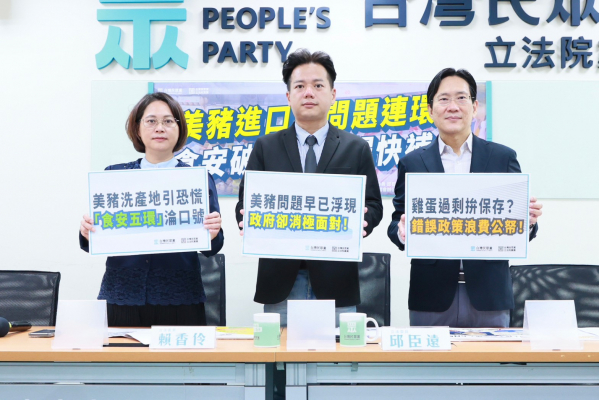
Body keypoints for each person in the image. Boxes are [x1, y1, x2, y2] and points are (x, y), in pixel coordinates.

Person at [235, 49, 384, 327]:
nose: (308, 93)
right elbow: (245, 203)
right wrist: (247, 218)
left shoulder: (356, 148)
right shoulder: (266, 147)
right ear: (288, 96)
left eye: (318, 85)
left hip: (337, 280)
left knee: (338, 353)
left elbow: (374, 205)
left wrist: (363, 220)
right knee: (280, 351)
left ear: (333, 94)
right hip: (280, 282)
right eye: (300, 86)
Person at [387, 68, 543, 328]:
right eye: (444, 99)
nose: (453, 106)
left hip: (489, 294)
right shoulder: (412, 163)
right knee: (428, 357)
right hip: (431, 295)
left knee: (493, 357)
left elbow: (519, 226)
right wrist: (403, 232)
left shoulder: (503, 158)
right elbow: (395, 225)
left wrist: (528, 222)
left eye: (461, 98)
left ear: (474, 106)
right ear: (430, 109)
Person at [79, 92, 224, 327]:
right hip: (122, 296)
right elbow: (96, 241)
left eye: (168, 121)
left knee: (182, 354)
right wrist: (87, 232)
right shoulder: (114, 177)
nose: (160, 128)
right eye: (151, 121)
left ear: (179, 128)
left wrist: (214, 233)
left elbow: (213, 247)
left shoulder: (197, 179)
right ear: (137, 129)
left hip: (180, 298)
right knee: (119, 353)